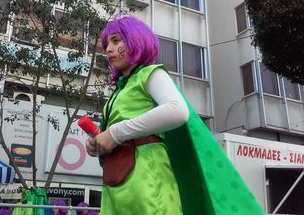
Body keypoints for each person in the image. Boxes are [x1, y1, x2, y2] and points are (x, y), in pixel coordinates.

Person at [85, 13, 264, 215]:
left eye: (116, 40)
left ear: (137, 39)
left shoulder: (149, 73)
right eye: (106, 42)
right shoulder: (119, 90)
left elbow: (177, 110)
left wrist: (115, 133)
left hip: (147, 174)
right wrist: (99, 143)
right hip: (117, 180)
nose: (108, 48)